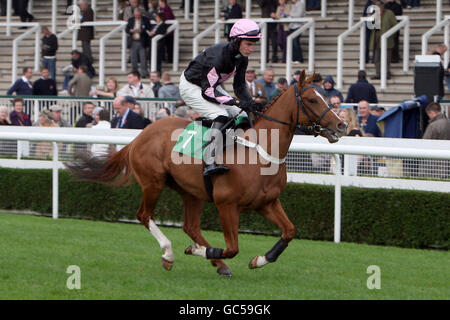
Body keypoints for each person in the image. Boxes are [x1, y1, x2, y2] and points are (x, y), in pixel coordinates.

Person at [179, 18, 264, 176]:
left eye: (254, 44)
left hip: (209, 86)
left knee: (243, 115)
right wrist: (237, 102)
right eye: (249, 44)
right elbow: (208, 92)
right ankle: (209, 159)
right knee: (221, 114)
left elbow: (239, 87)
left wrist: (250, 103)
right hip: (191, 86)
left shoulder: (242, 58)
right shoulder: (217, 57)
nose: (252, 48)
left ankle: (230, 148)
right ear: (236, 40)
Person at [369, 1, 397, 80]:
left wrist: (390, 35)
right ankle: (378, 73)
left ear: (383, 6)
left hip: (387, 39)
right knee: (376, 58)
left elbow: (395, 25)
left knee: (387, 58)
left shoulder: (389, 13)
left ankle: (387, 73)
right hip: (377, 38)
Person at [126, 7, 152, 79]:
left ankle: (144, 73)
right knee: (133, 59)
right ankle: (135, 74)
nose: (137, 16)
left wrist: (142, 31)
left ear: (140, 13)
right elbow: (126, 29)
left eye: (138, 15)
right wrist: (131, 30)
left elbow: (149, 28)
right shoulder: (131, 20)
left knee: (143, 58)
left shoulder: (145, 20)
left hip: (142, 41)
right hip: (133, 41)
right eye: (136, 15)